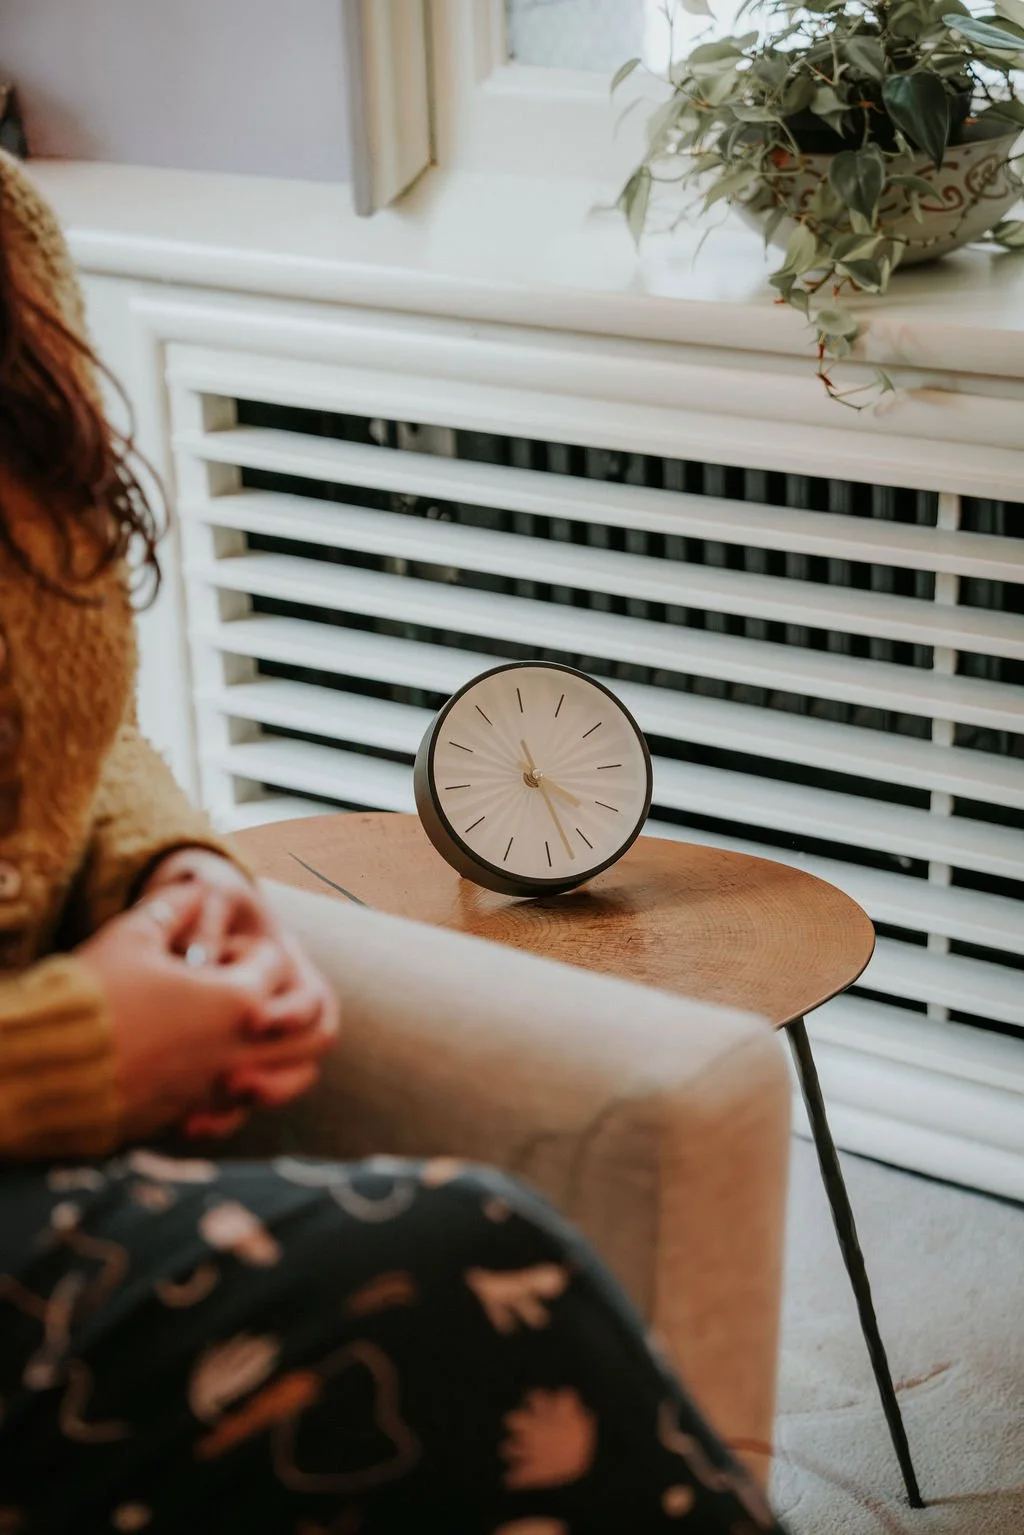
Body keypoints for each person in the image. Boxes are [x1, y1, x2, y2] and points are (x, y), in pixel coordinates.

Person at [0, 150, 788, 1534]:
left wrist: (172, 867)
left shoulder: (8, 231)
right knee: (454, 1258)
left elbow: (68, 708)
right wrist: (73, 1043)